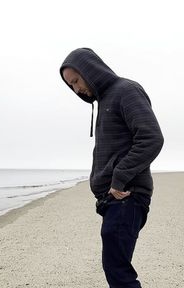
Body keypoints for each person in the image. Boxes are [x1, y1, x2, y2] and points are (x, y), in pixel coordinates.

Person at [60, 48, 164, 288]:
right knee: (117, 269)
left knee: (119, 274)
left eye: (76, 81)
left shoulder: (125, 91)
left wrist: (118, 179)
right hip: (115, 201)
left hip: (126, 196)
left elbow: (151, 138)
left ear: (89, 70)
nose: (76, 89)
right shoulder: (105, 100)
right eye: (71, 86)